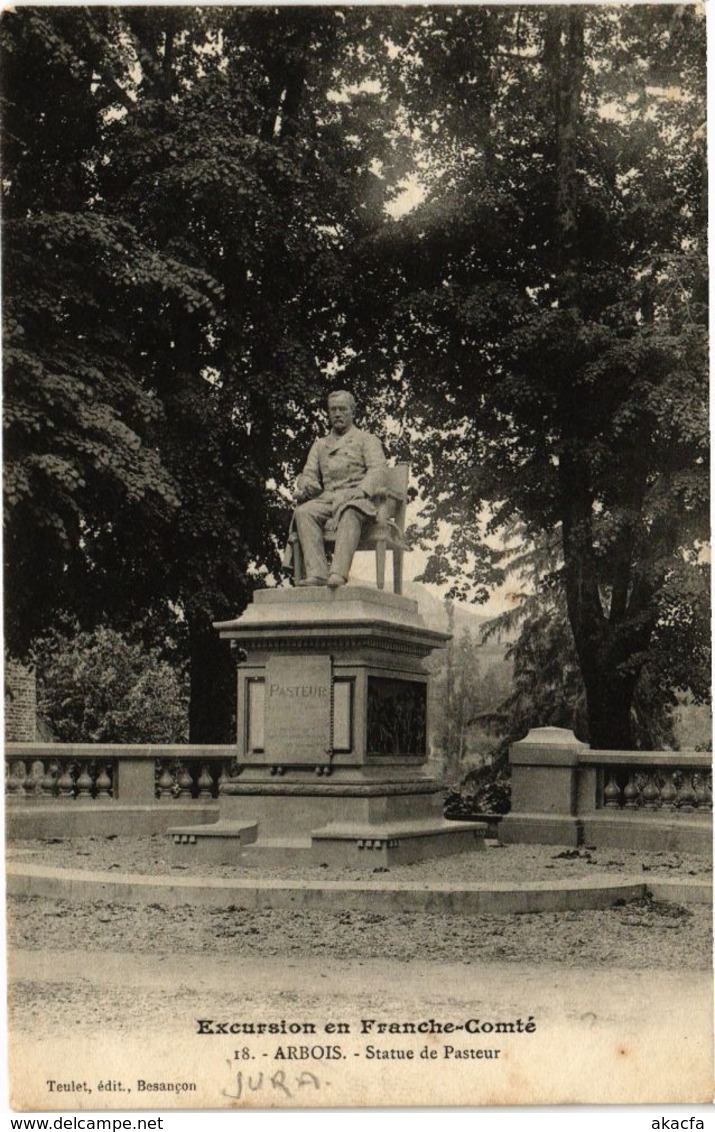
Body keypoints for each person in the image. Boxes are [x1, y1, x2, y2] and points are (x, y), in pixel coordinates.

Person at [289, 390, 387, 588]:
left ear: (352, 412)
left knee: (350, 511)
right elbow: (306, 474)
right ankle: (317, 574)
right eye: (333, 410)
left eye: (342, 409)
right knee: (304, 511)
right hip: (328, 499)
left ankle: (338, 574)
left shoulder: (366, 440)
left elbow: (378, 470)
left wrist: (362, 490)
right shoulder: (320, 445)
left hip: (358, 500)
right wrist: (309, 484)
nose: (337, 414)